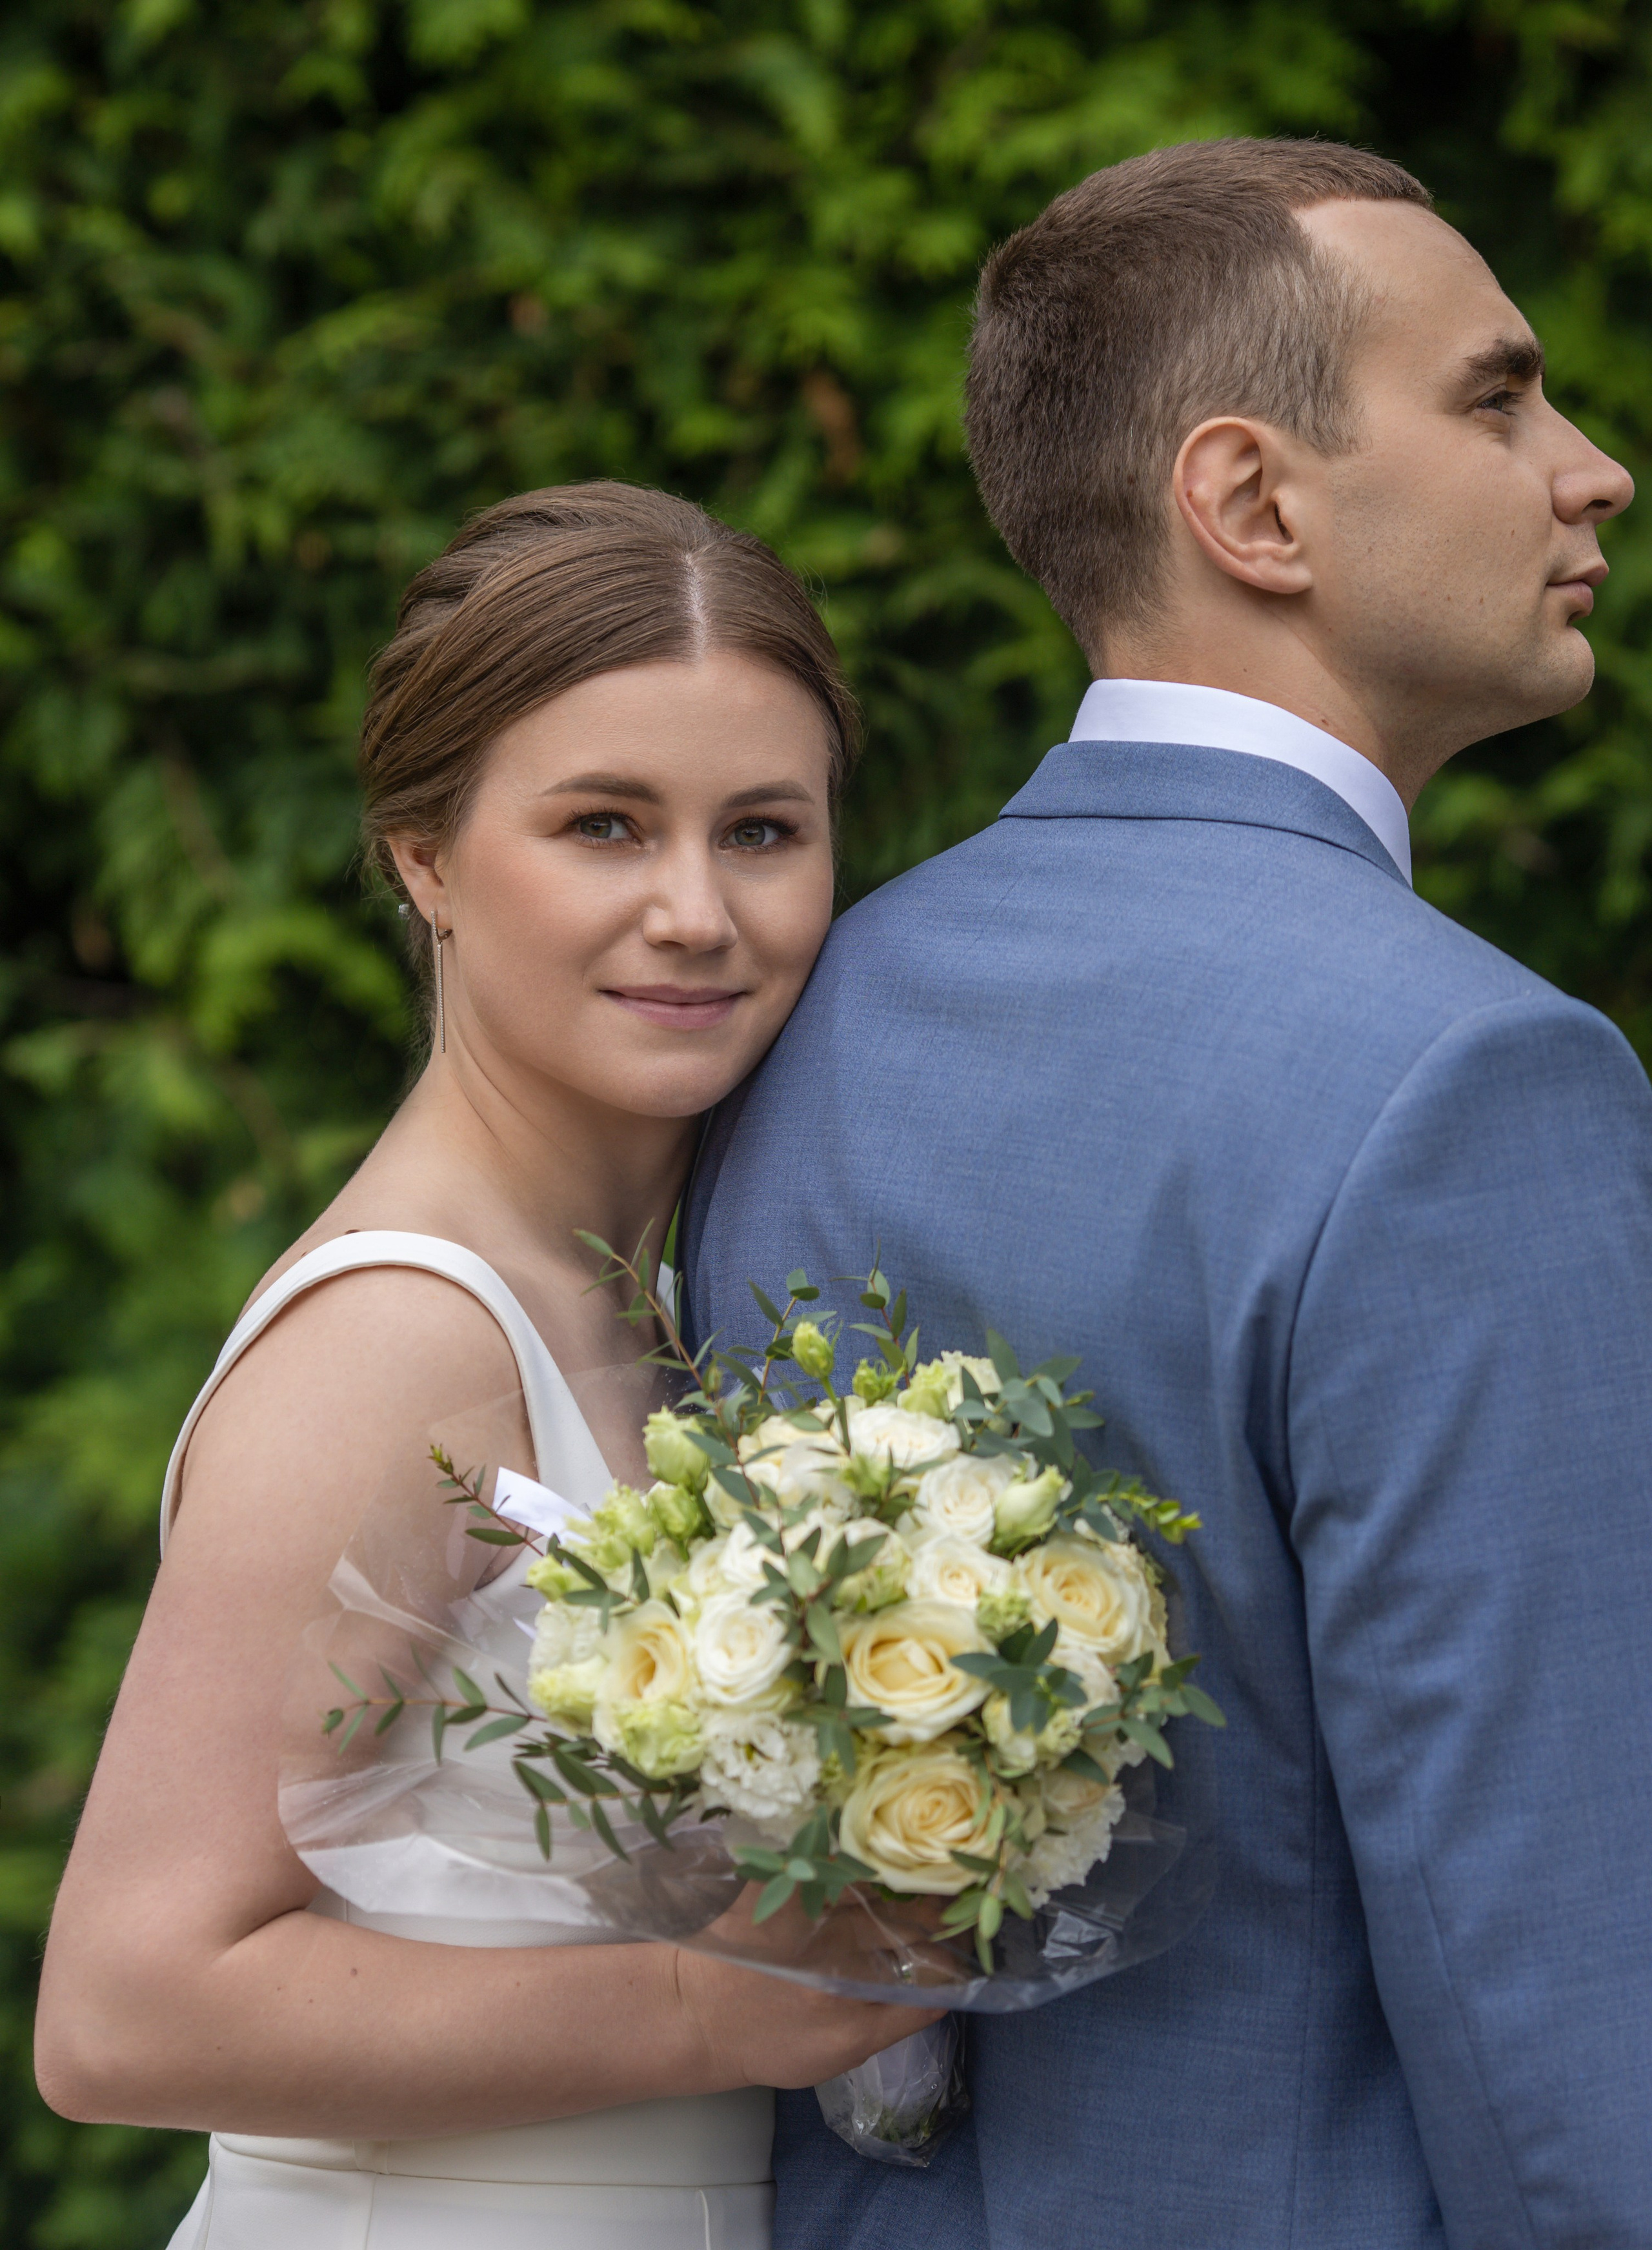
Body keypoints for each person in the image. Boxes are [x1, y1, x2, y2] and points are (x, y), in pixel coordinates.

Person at [686, 139, 1652, 2249]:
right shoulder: (1481, 1083)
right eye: (1498, 399)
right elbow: (1555, 2005)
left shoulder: (799, 1016)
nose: (1595, 472)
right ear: (1253, 505)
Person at [34, 481, 941, 2250]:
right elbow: (126, 2009)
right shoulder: (402, 1341)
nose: (698, 911)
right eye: (605, 826)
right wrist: (696, 2014)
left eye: (762, 831)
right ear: (425, 855)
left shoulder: (683, 1311)